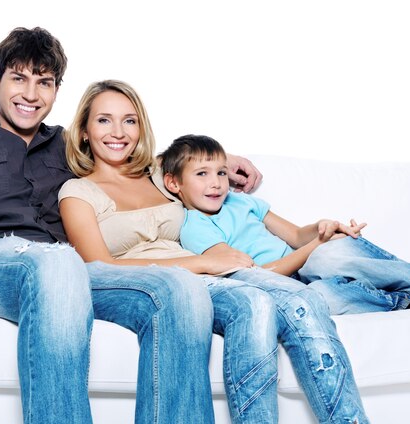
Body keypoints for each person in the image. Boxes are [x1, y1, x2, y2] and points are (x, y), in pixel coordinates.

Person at [0, 27, 260, 424]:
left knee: (180, 289)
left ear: (57, 91)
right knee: (55, 263)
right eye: (17, 78)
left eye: (44, 82)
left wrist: (220, 162)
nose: (30, 93)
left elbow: (132, 152)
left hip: (73, 273)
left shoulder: (68, 144)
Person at [59, 79, 369, 423]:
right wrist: (202, 261)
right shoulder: (77, 192)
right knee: (263, 300)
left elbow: (196, 166)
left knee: (286, 301)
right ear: (84, 130)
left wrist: (228, 162)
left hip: (208, 280)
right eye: (104, 120)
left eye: (129, 120)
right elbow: (100, 265)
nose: (118, 131)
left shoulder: (156, 175)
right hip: (156, 284)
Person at [161, 133, 410, 315]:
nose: (216, 183)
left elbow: (296, 235)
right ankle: (401, 300)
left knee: (331, 254)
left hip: (308, 265)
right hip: (284, 285)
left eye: (221, 172)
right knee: (320, 299)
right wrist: (314, 246)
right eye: (202, 174)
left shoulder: (241, 202)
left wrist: (322, 229)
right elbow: (254, 276)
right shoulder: (195, 228)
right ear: (174, 184)